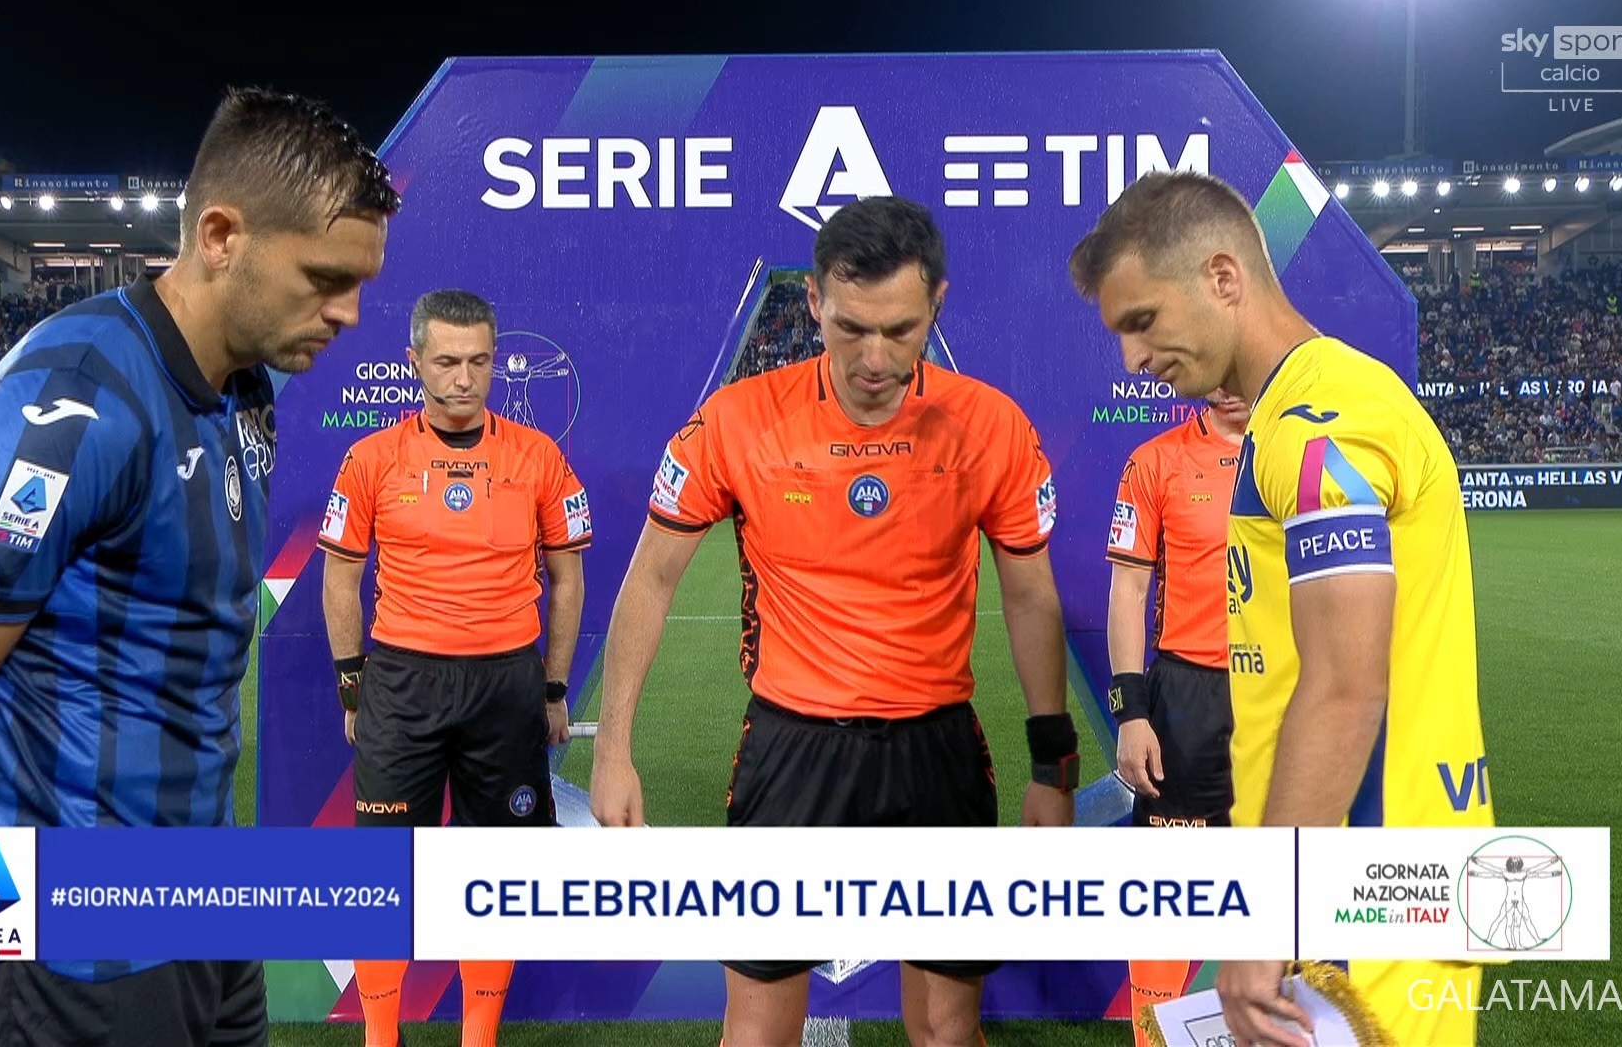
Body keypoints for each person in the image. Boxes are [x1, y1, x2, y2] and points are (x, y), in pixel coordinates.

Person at [0, 86, 399, 1047]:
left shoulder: (243, 389)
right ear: (220, 235)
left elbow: (91, 650)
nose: (348, 313)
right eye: (324, 278)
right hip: (68, 932)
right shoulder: (75, 401)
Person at [590, 195, 1078, 1047]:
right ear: (813, 301)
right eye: (851, 327)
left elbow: (1033, 596)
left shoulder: (989, 425)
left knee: (947, 1028)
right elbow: (651, 579)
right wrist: (611, 748)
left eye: (901, 330)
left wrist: (1054, 766)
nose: (875, 359)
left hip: (937, 752)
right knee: (757, 1032)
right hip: (792, 751)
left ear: (937, 305)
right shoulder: (738, 420)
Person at [1069, 170, 1494, 1047]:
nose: (1133, 360)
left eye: (1142, 321)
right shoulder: (1294, 417)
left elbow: (1343, 685)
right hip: (1344, 886)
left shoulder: (1318, 427)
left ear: (1223, 277)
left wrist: (1267, 917)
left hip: (1364, 901)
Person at [320, 289, 590, 1047]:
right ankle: (381, 1036)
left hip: (506, 685)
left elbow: (567, 578)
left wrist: (554, 686)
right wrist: (353, 686)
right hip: (403, 683)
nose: (464, 378)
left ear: (495, 360)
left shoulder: (538, 456)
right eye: (446, 362)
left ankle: (480, 1036)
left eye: (478, 361)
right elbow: (341, 576)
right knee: (384, 872)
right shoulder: (372, 458)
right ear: (414, 362)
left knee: (495, 871)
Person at [1104, 389, 1246, 1044]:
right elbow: (1128, 591)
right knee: (1169, 894)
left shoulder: (1308, 456)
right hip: (1188, 700)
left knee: (1286, 882)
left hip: (1283, 695)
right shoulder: (1155, 461)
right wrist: (1131, 712)